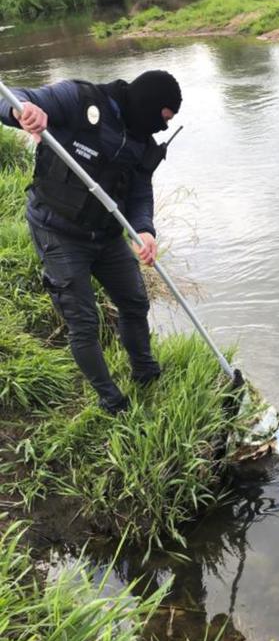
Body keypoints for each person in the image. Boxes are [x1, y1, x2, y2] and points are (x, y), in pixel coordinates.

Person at [0, 70, 182, 414]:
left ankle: (145, 373)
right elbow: (10, 95)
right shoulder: (79, 99)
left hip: (107, 235)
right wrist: (22, 111)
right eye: (162, 119)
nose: (162, 129)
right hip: (59, 231)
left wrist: (144, 230)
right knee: (83, 321)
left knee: (134, 302)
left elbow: (141, 192)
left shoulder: (143, 140)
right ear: (146, 104)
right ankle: (112, 401)